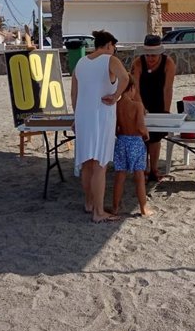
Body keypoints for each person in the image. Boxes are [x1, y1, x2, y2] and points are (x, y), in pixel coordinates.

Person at [71, 30, 129, 223]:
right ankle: (98, 212)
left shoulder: (81, 62)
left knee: (87, 164)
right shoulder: (110, 60)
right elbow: (126, 78)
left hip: (83, 117)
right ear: (109, 45)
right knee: (99, 165)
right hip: (101, 116)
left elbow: (74, 94)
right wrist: (116, 96)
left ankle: (89, 203)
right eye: (114, 47)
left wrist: (76, 116)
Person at [131, 34, 176, 181]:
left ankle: (154, 170)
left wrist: (166, 111)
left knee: (155, 139)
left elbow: (168, 88)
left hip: (159, 101)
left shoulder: (168, 63)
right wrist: (140, 107)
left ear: (160, 53)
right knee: (142, 137)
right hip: (141, 100)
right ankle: (144, 169)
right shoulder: (138, 63)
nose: (150, 58)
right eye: (148, 55)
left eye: (154, 55)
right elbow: (135, 88)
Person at [112, 77, 154, 217]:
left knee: (120, 175)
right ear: (131, 88)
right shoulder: (137, 106)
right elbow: (141, 128)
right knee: (139, 176)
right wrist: (146, 134)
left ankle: (115, 207)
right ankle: (143, 208)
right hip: (135, 142)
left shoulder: (116, 106)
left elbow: (115, 128)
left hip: (122, 141)